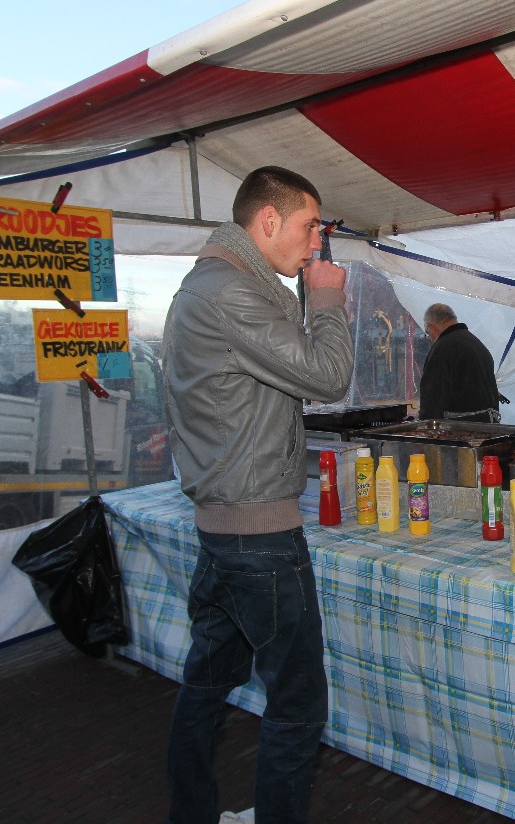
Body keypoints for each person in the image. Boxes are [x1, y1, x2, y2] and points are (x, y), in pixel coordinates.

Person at [162, 166, 353, 824]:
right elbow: (327, 375)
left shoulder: (211, 286)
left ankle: (191, 814)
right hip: (259, 535)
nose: (316, 243)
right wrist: (325, 299)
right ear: (268, 221)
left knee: (208, 683)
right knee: (298, 707)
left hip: (225, 527)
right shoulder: (231, 292)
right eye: (309, 226)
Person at [418, 303, 502, 422]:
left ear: (431, 327)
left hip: (459, 427)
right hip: (487, 425)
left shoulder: (442, 349)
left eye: (427, 333)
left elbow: (433, 397)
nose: (430, 337)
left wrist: (425, 424)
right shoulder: (477, 345)